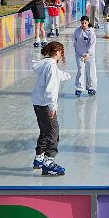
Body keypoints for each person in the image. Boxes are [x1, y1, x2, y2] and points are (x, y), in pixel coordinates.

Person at [30, 41, 70, 176]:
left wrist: (66, 76)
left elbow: (56, 75)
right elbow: (51, 89)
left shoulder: (46, 63)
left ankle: (39, 158)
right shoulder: (51, 66)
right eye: (61, 52)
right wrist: (53, 105)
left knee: (45, 131)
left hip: (38, 103)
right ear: (57, 52)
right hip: (46, 104)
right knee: (53, 132)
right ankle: (48, 162)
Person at [73, 15, 98, 96]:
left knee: (90, 71)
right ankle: (79, 88)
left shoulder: (91, 32)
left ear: (88, 23)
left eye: (85, 23)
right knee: (80, 71)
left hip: (89, 55)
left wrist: (88, 53)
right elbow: (75, 41)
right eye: (82, 23)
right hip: (79, 54)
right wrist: (76, 51)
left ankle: (92, 87)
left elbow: (92, 44)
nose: (83, 24)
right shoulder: (77, 31)